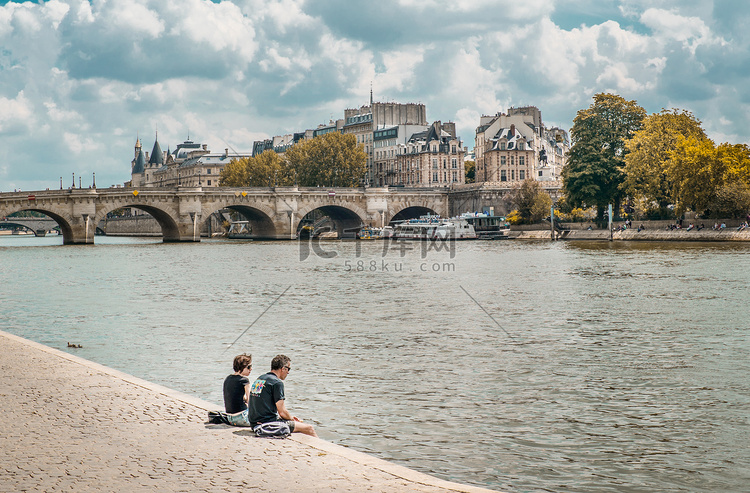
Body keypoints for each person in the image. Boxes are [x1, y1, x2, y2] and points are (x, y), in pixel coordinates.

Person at [248, 354, 317, 437]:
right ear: (283, 368)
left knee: (295, 425)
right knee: (309, 428)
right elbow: (282, 412)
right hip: (267, 424)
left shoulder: (260, 379)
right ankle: (321, 448)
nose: (288, 372)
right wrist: (292, 419)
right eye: (288, 369)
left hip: (254, 423)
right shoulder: (277, 383)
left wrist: (290, 418)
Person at [222, 353, 253, 427]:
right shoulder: (244, 380)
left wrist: (244, 399)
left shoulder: (228, 378)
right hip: (242, 417)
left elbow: (234, 395)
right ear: (242, 367)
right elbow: (250, 401)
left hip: (230, 418)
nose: (251, 369)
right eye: (249, 367)